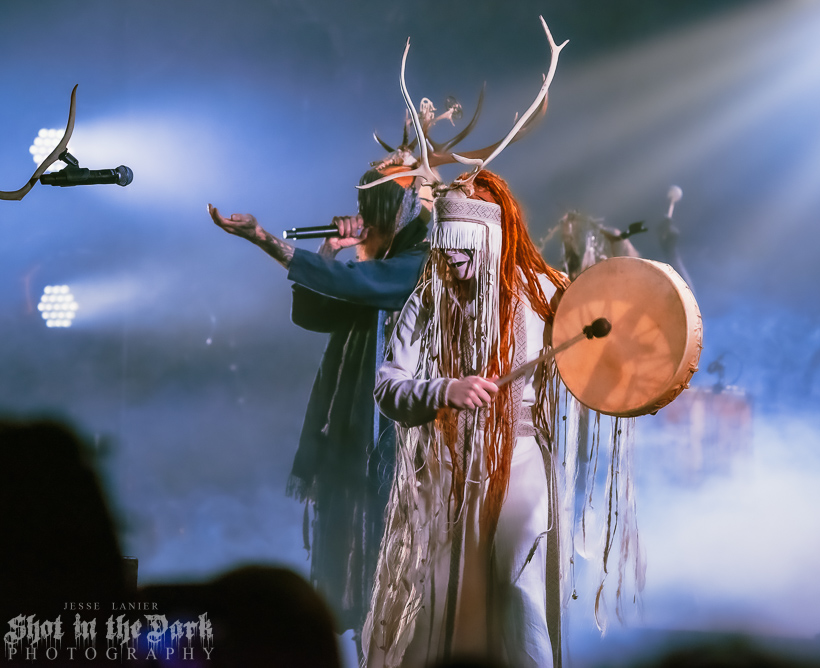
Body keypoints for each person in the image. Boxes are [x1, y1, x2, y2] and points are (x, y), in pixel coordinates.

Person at [207, 165, 429, 641]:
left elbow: (357, 285)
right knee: (355, 569)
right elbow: (314, 312)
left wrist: (264, 240)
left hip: (392, 442)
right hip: (350, 434)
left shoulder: (420, 263)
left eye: (374, 211)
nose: (364, 221)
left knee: (392, 574)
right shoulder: (376, 268)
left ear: (399, 211)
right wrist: (329, 250)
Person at [364, 170, 570, 668]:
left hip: (521, 460)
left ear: (492, 237)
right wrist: (444, 390)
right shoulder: (429, 299)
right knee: (438, 596)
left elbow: (602, 352)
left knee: (519, 589)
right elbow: (388, 387)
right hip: (445, 469)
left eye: (465, 243)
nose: (453, 255)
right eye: (446, 242)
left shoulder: (546, 293)